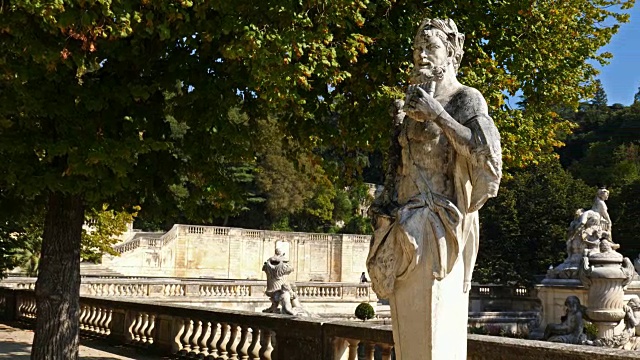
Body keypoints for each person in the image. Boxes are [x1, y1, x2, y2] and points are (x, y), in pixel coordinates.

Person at [366, 18, 502, 359]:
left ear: (452, 54)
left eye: (431, 48)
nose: (421, 56)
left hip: (439, 223)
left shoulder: (465, 99)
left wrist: (438, 114)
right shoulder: (411, 106)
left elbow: (485, 152)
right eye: (417, 50)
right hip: (403, 219)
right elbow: (399, 168)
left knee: (432, 329)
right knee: (409, 326)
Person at [261, 248, 293, 313]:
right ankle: (278, 307)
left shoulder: (269, 262)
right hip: (279, 289)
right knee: (288, 308)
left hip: (271, 288)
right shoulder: (286, 293)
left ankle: (274, 306)